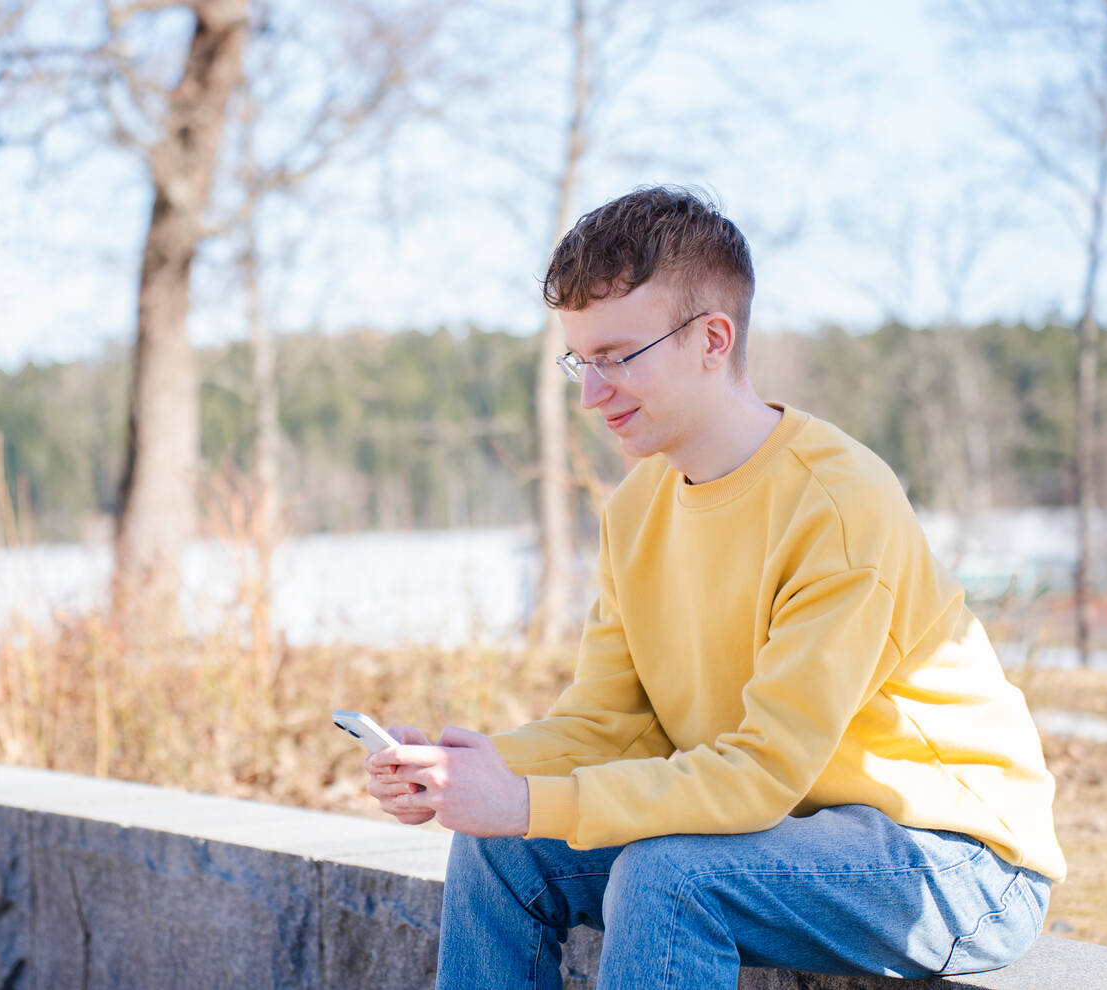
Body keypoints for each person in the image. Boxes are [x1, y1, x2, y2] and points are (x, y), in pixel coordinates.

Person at [364, 185, 1065, 989]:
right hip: (785, 836)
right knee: (499, 850)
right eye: (579, 362)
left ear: (712, 339)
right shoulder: (636, 508)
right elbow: (609, 723)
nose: (592, 395)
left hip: (952, 860)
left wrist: (525, 799)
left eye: (617, 358)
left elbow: (763, 773)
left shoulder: (836, 505)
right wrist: (474, 774)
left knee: (669, 877)